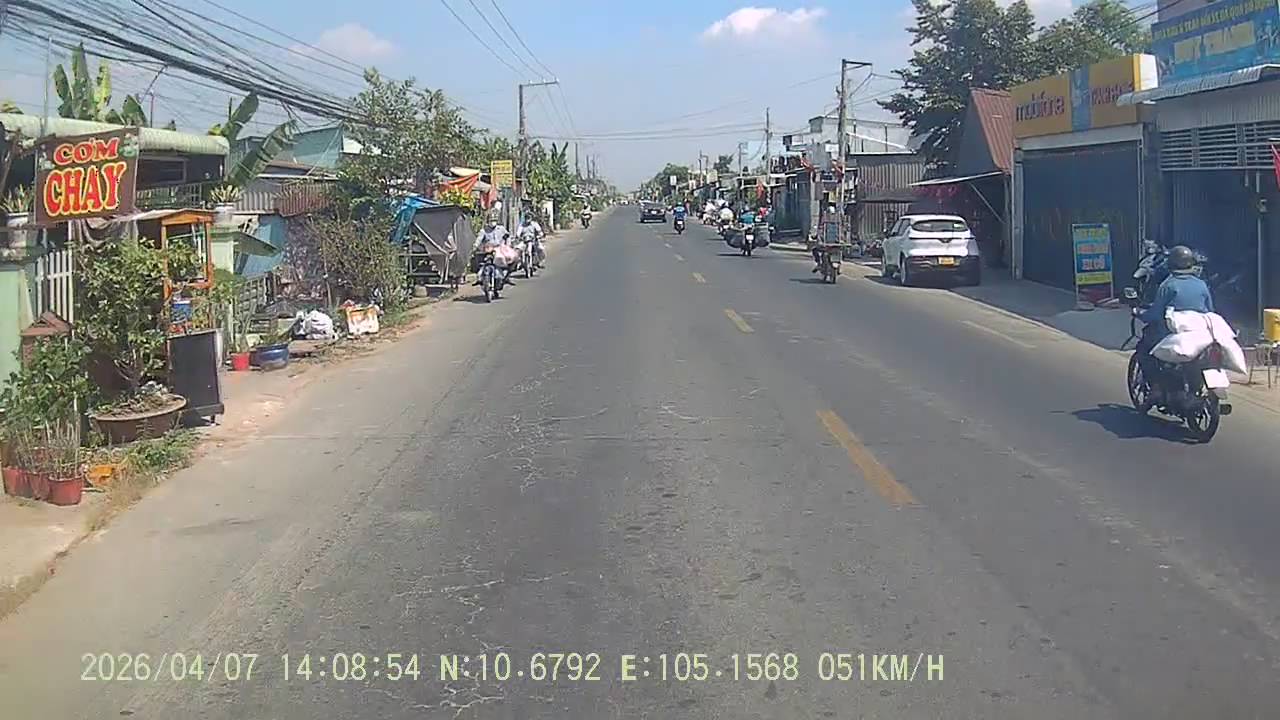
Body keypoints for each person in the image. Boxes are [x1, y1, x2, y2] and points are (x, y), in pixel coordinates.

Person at [1135, 244, 1213, 395]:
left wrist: (1141, 314)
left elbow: (1155, 314)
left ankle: (1156, 387)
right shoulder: (1201, 284)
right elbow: (1210, 310)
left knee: (1144, 348)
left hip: (1169, 333)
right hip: (1199, 333)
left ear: (1171, 263)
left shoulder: (1168, 285)